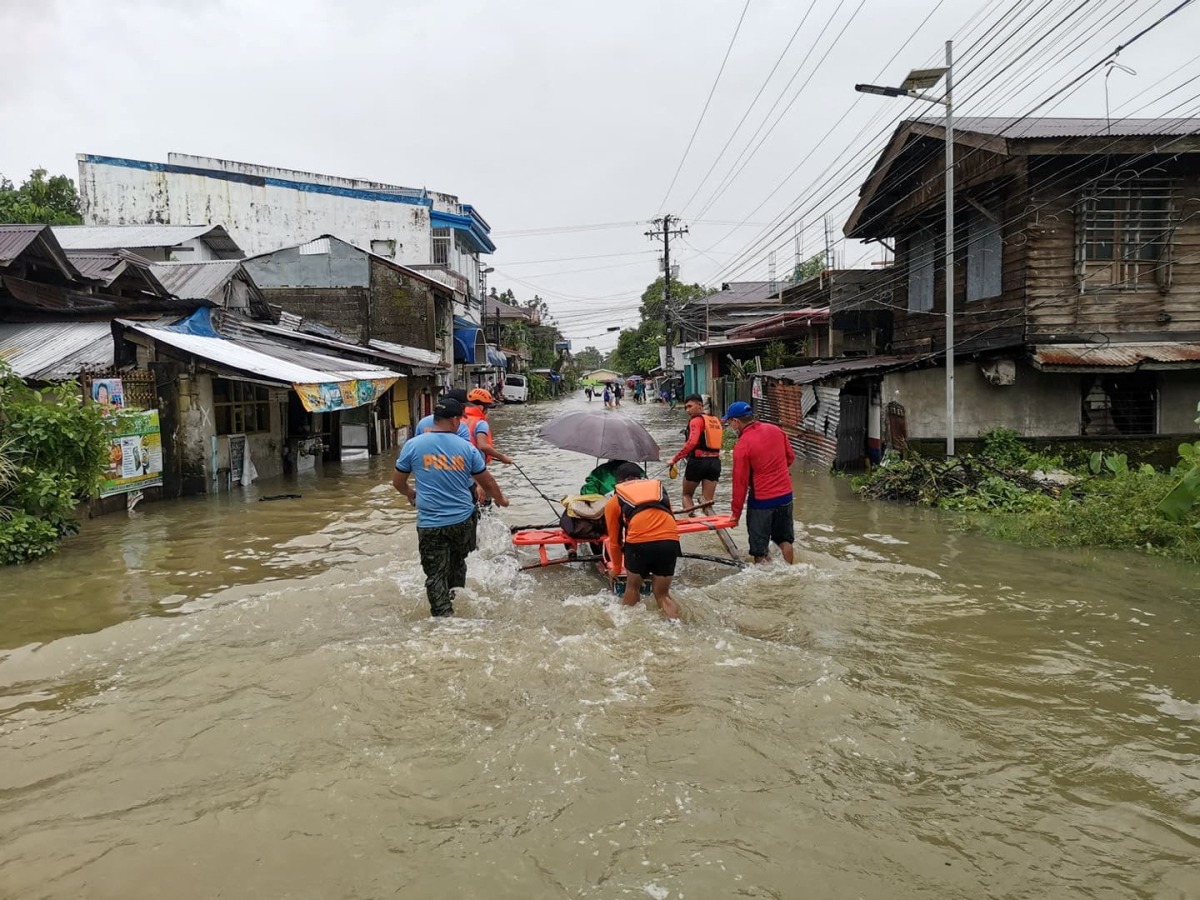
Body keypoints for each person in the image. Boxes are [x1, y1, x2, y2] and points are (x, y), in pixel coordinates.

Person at [392, 398, 509, 617]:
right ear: (455, 420)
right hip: (462, 522)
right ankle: (456, 599)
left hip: (430, 524)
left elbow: (398, 482)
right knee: (458, 564)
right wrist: (502, 501)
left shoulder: (413, 445)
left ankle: (443, 617)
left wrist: (410, 494)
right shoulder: (466, 448)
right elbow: (488, 483)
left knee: (435, 574)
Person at [603, 463, 680, 619]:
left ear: (618, 482)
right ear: (641, 478)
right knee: (663, 595)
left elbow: (614, 541)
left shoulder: (615, 500)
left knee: (632, 588)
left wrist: (616, 569)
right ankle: (676, 625)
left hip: (639, 543)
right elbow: (670, 518)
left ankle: (625, 626)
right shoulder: (660, 491)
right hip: (669, 541)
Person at [724, 401, 796, 565]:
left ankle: (766, 583)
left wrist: (735, 514)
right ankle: (790, 571)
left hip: (762, 501)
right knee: (785, 541)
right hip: (786, 496)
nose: (730, 426)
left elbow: (740, 483)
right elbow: (790, 457)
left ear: (736, 421)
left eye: (729, 422)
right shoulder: (775, 430)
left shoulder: (742, 445)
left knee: (759, 551)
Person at [669, 394, 724, 515]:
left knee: (686, 495)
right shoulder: (714, 420)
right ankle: (711, 527)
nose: (688, 410)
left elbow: (691, 442)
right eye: (686, 408)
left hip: (697, 462)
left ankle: (693, 521)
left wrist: (674, 459)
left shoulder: (695, 421)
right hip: (714, 463)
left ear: (700, 405)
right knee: (706, 501)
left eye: (690, 406)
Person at [464, 388, 513, 466]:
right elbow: (483, 446)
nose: (487, 411)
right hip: (475, 466)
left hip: (459, 464)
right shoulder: (480, 423)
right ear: (481, 407)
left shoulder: (458, 419)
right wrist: (502, 457)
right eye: (487, 408)